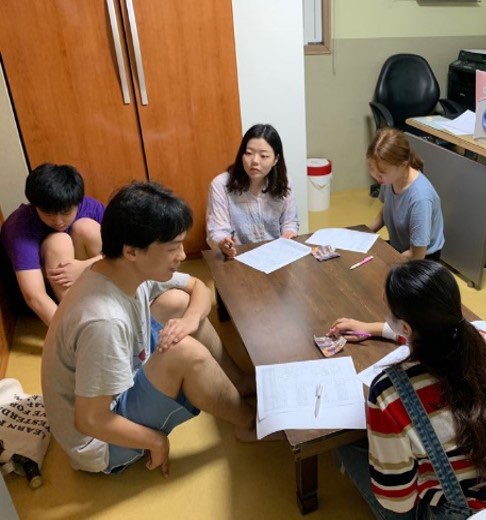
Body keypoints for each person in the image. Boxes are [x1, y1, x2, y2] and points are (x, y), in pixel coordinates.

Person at [41, 182, 256, 477]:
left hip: (119, 380)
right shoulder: (104, 321)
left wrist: (190, 320)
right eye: (172, 248)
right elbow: (89, 420)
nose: (182, 255)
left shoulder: (119, 269)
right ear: (131, 251)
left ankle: (238, 384)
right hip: (100, 442)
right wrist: (155, 441)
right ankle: (248, 423)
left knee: (178, 303)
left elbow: (198, 288)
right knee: (185, 352)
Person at [333, 260, 486, 519]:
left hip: (460, 514)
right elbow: (434, 332)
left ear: (406, 327)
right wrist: (370, 328)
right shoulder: (483, 344)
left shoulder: (388, 392)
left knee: (345, 443)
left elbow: (399, 502)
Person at [0, 163, 104, 325]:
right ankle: (79, 320)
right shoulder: (20, 226)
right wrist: (71, 333)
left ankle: (107, 304)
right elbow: (34, 296)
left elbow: (124, 250)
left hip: (82, 281)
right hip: (43, 298)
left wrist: (84, 266)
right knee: (59, 242)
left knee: (86, 228)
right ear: (35, 206)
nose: (58, 221)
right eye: (48, 213)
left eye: (66, 212)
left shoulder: (89, 207)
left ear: (78, 202)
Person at [206, 123, 299, 259]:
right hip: (237, 256)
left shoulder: (284, 182)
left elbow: (290, 222)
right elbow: (216, 231)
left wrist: (289, 233)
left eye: (264, 156)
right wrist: (223, 243)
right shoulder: (221, 185)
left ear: (276, 159)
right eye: (249, 153)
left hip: (276, 255)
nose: (255, 161)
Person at [367, 128, 444, 261]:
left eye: (381, 173)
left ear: (402, 166)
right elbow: (387, 209)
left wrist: (389, 261)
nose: (376, 177)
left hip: (421, 259)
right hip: (400, 249)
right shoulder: (389, 178)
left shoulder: (420, 198)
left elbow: (417, 255)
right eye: (372, 169)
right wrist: (366, 232)